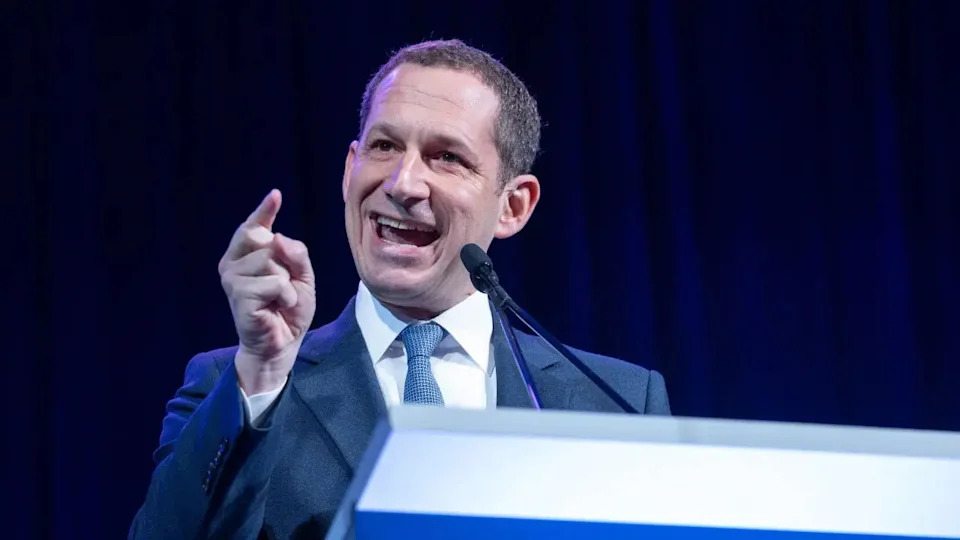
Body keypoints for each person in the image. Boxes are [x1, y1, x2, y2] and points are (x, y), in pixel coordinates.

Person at [129, 39, 670, 539]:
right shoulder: (238, 384)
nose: (403, 184)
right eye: (385, 146)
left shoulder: (615, 405)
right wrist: (263, 371)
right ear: (350, 170)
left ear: (513, 205)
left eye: (447, 157)